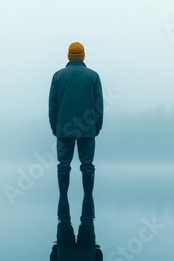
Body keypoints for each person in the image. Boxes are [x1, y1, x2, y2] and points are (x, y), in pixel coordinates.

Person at [48, 42, 104, 244]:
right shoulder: (93, 76)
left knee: (63, 165)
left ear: (69, 55)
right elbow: (99, 104)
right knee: (87, 166)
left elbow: (52, 103)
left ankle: (63, 200)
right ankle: (88, 199)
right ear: (83, 55)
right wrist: (97, 126)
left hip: (64, 127)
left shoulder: (58, 76)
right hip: (88, 128)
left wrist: (54, 125)